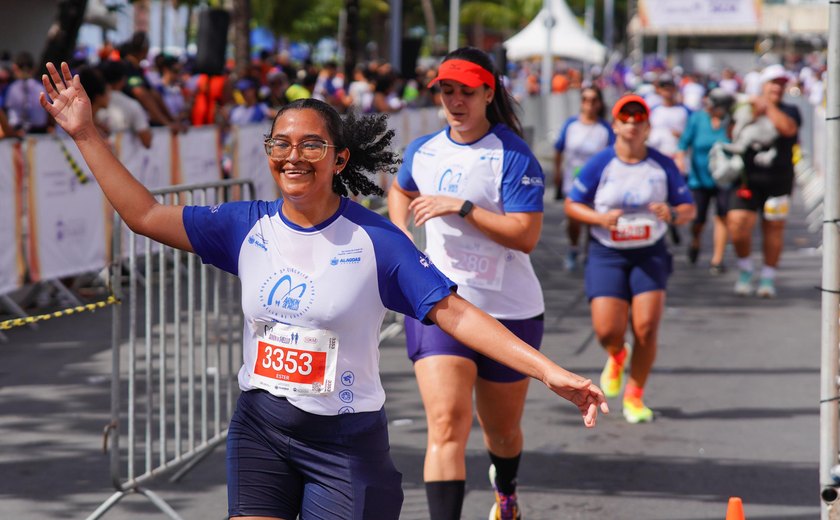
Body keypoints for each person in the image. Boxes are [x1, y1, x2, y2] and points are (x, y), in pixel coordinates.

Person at [40, 60, 607, 520]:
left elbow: (456, 314)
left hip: (344, 444)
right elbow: (142, 214)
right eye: (281, 143)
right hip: (261, 427)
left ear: (339, 159)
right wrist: (86, 133)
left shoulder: (374, 239)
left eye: (311, 145)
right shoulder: (244, 225)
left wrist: (548, 370)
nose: (293, 155)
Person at [388, 47, 551, 520]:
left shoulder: (512, 155)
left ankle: (507, 492)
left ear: (488, 93)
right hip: (440, 306)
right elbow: (401, 189)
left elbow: (526, 237)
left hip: (509, 311)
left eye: (466, 92)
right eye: (446, 91)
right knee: (445, 424)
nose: (455, 101)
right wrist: (402, 236)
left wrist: (462, 208)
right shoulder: (424, 150)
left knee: (501, 433)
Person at [565, 94, 695, 424]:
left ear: (649, 127)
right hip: (607, 253)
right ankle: (618, 353)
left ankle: (634, 396)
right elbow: (572, 203)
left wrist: (673, 213)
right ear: (616, 125)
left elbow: (688, 208)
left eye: (639, 121)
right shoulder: (601, 163)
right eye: (626, 120)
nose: (633, 126)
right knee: (607, 330)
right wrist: (598, 219)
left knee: (646, 328)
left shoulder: (663, 164)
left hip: (649, 253)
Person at [728, 64, 800, 298]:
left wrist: (767, 106)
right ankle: (746, 269)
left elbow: (788, 129)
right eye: (773, 83)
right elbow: (732, 134)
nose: (777, 88)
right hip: (746, 179)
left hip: (778, 180)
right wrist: (750, 112)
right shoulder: (747, 108)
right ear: (763, 85)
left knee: (773, 227)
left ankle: (768, 276)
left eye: (781, 84)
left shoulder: (791, 111)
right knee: (738, 224)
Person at [553, 85, 615, 271]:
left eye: (593, 100)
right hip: (573, 180)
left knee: (593, 219)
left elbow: (614, 154)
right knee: (574, 219)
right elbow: (559, 149)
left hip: (598, 183)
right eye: (585, 99)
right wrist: (557, 172)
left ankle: (590, 253)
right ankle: (573, 248)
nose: (589, 104)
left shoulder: (605, 129)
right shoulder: (571, 124)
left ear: (599, 103)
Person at [674, 88, 735, 274]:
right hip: (700, 178)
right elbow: (683, 144)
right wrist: (680, 163)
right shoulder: (697, 119)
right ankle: (695, 241)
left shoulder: (730, 122)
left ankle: (717, 258)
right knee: (698, 219)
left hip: (724, 177)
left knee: (723, 216)